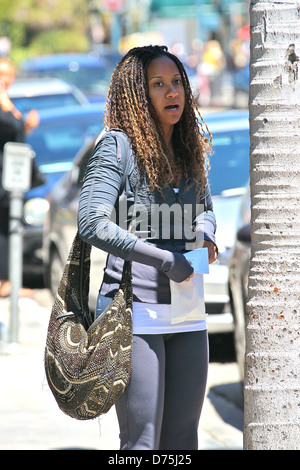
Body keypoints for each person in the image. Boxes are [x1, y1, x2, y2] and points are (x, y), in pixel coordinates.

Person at [78, 45, 218, 450]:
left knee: (183, 442)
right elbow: (91, 222)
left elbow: (206, 208)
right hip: (136, 312)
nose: (172, 91)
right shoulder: (117, 147)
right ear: (138, 95)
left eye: (176, 82)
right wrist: (165, 260)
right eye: (158, 85)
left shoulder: (188, 146)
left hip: (189, 309)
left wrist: (207, 234)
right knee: (143, 443)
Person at [0, 57, 39, 298]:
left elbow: (12, 135)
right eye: (1, 73)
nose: (5, 78)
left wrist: (27, 127)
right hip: (3, 178)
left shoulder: (6, 101)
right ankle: (4, 282)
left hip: (10, 175)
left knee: (8, 226)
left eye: (9, 74)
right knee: (5, 228)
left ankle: (6, 279)